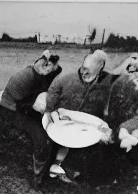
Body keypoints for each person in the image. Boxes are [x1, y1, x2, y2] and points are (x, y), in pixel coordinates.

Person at [45, 50, 116, 182]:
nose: (84, 73)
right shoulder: (66, 77)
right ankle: (52, 166)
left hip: (81, 119)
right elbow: (52, 92)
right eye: (83, 68)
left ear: (99, 70)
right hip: (61, 117)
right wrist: (51, 111)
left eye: (89, 72)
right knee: (56, 141)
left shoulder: (106, 80)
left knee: (84, 143)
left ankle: (66, 168)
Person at [0, 52, 61, 187]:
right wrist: (36, 106)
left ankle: (53, 166)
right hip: (11, 110)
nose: (54, 73)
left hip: (27, 106)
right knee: (41, 136)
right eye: (51, 69)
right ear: (45, 66)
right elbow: (20, 105)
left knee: (54, 127)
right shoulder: (25, 78)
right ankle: (38, 175)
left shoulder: (44, 74)